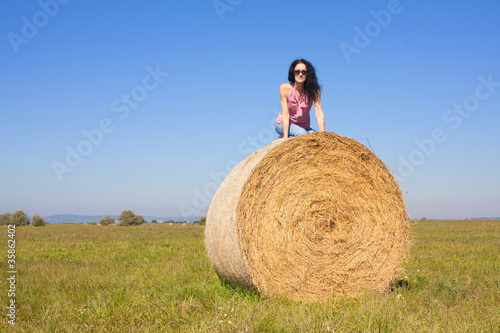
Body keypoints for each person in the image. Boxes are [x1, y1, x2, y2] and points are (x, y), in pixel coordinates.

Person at [275, 59, 325, 139]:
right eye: (297, 71)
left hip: (304, 126)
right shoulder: (284, 88)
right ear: (293, 73)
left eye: (304, 72)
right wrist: (285, 137)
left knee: (316, 139)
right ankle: (282, 137)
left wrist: (323, 134)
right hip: (283, 124)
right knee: (302, 134)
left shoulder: (314, 90)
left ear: (308, 74)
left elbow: (318, 112)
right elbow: (285, 113)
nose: (300, 74)